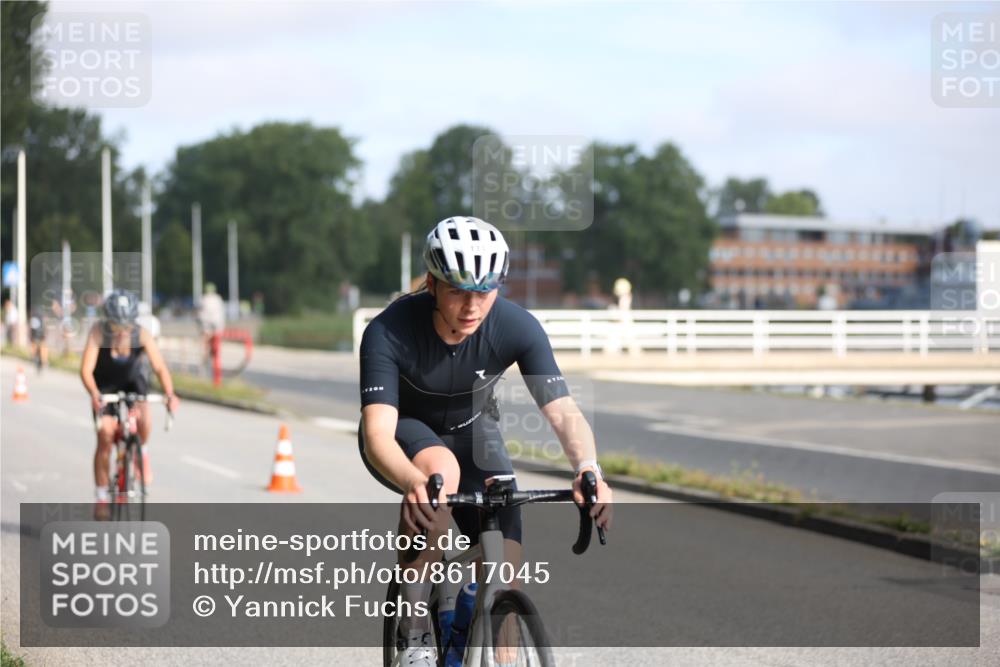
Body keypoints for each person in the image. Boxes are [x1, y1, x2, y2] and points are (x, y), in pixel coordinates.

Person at [358, 216, 613, 665]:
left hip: (474, 430)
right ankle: (413, 627)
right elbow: (377, 431)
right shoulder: (389, 330)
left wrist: (588, 469)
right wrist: (413, 482)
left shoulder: (516, 325)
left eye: (485, 290)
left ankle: (480, 627)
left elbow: (563, 412)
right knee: (442, 474)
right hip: (404, 432)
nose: (472, 306)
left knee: (505, 584)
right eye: (458, 290)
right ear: (433, 284)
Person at [80, 289, 180, 515]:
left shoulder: (142, 334)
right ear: (108, 322)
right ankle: (102, 496)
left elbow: (160, 367)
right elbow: (85, 370)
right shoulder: (98, 333)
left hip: (133, 383)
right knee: (105, 435)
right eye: (115, 326)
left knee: (144, 419)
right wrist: (94, 393)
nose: (121, 332)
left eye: (126, 326)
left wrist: (170, 393)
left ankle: (141, 450)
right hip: (104, 387)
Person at [29, 307, 48, 371]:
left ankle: (34, 357)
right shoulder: (42, 319)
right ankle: (44, 360)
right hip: (41, 335)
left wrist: (31, 336)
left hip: (36, 335)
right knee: (43, 347)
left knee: (35, 345)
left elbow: (31, 329)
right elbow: (45, 329)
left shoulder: (33, 319)